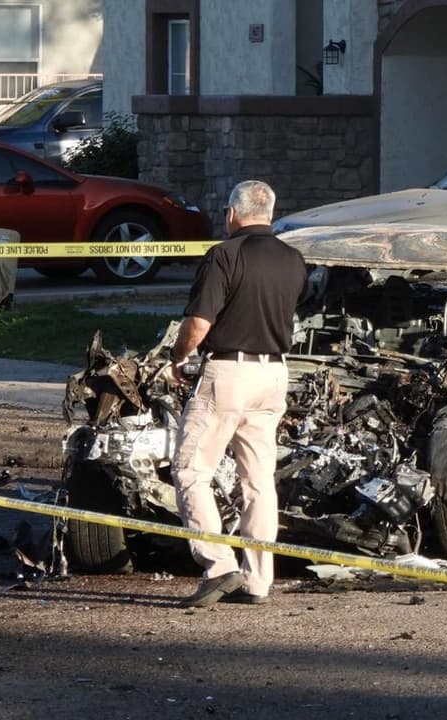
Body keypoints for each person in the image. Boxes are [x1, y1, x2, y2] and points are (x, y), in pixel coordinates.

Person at [169, 180, 307, 608]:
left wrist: (177, 356)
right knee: (259, 481)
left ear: (232, 213)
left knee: (191, 469)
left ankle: (218, 566)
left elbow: (198, 324)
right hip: (275, 375)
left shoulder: (223, 256)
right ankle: (258, 581)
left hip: (229, 371)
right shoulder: (293, 259)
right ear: (270, 212)